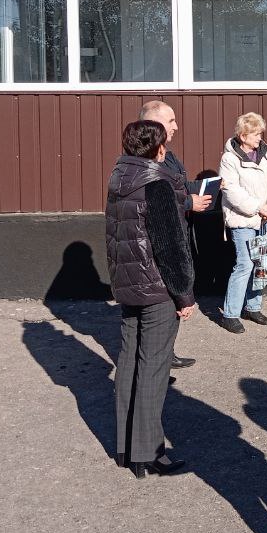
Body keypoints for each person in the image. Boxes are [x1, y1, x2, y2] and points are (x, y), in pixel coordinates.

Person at [105, 120, 197, 479]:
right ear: (158, 149)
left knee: (129, 361)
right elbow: (169, 246)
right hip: (157, 288)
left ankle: (126, 446)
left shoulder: (118, 178)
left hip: (128, 283)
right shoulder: (157, 183)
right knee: (154, 367)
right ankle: (148, 452)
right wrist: (184, 295)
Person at [138, 100, 212, 370]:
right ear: (155, 124)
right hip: (163, 242)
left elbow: (177, 187)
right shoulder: (146, 159)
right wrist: (188, 203)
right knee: (166, 302)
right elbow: (151, 203)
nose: (176, 126)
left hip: (179, 233)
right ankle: (156, 363)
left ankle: (165, 353)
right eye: (171, 121)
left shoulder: (167, 155)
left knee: (172, 304)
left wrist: (205, 187)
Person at [216, 111, 267, 334]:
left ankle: (253, 307)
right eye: (255, 134)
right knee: (245, 264)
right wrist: (258, 207)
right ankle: (231, 314)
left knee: (262, 263)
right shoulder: (229, 159)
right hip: (244, 219)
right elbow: (231, 191)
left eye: (259, 133)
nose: (259, 138)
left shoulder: (266, 153)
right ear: (243, 135)